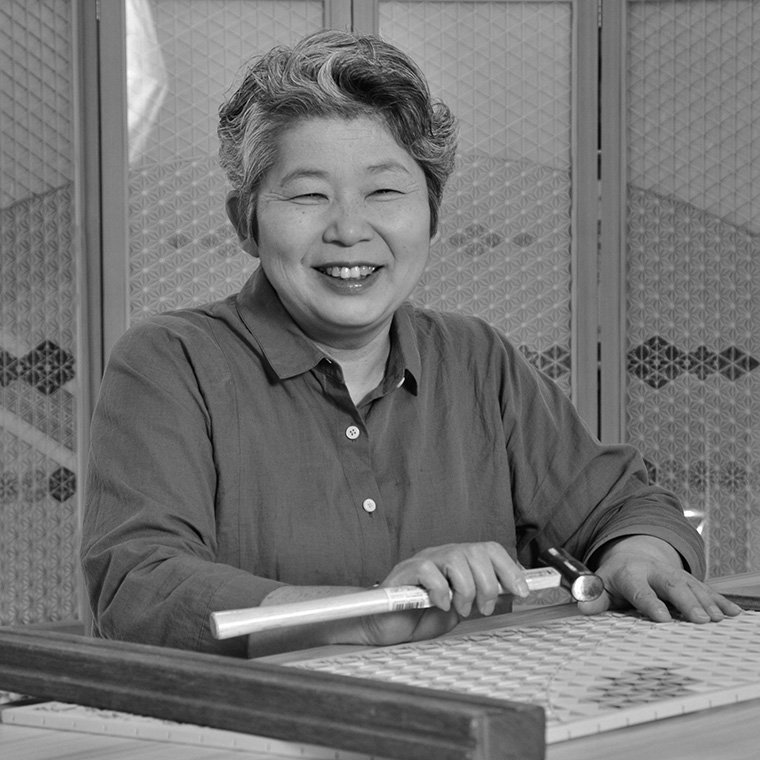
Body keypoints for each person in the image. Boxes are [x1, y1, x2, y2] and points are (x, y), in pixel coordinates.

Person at [81, 30, 740, 658]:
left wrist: (638, 559)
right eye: (309, 195)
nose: (348, 229)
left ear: (432, 212)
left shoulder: (478, 359)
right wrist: (371, 613)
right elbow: (138, 586)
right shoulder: (171, 361)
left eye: (384, 191)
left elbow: (624, 505)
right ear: (246, 221)